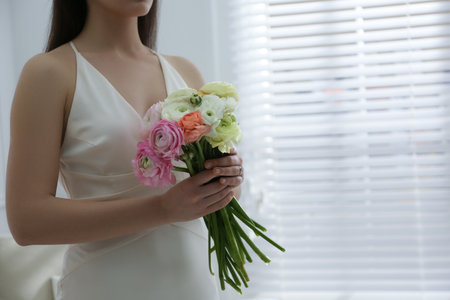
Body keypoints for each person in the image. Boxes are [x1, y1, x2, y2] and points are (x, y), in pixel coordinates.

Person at [5, 0, 244, 299]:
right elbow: (27, 222)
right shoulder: (49, 72)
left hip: (194, 286)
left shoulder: (184, 71)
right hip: (105, 286)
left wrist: (228, 178)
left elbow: (220, 199)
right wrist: (162, 209)